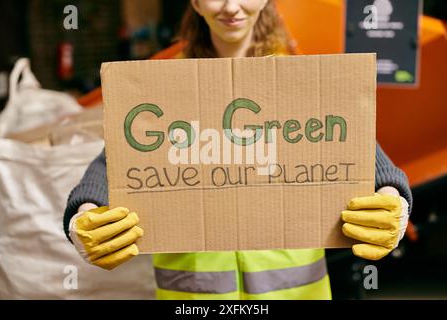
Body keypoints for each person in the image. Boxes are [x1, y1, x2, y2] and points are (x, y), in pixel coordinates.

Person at [64, 0, 412, 299]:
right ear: (196, 3)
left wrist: (394, 195)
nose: (231, 7)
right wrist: (83, 211)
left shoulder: (302, 81)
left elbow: (362, 149)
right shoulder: (164, 87)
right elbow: (114, 161)